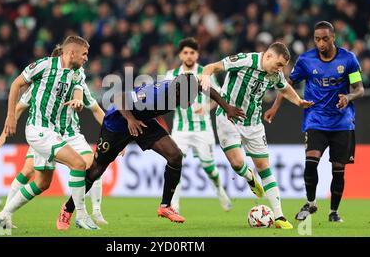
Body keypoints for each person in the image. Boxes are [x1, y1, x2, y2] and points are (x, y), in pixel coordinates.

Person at [58, 73, 245, 223]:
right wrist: (130, 120)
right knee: (96, 170)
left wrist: (227, 107)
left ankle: (165, 206)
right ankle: (67, 209)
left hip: (143, 121)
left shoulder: (185, 85)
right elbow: (119, 98)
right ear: (177, 92)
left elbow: (208, 89)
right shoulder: (156, 95)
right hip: (119, 123)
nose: (191, 102)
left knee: (175, 156)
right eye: (189, 98)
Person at [0, 46, 109, 229]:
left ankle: (4, 213)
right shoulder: (42, 75)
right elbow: (19, 103)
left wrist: (78, 102)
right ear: (68, 56)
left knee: (43, 183)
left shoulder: (77, 75)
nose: (86, 59)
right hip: (42, 131)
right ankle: (80, 214)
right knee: (32, 169)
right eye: (84, 54)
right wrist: (4, 132)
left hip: (68, 133)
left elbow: (85, 98)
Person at [200, 42, 314, 229]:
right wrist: (205, 76)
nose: (279, 70)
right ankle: (249, 177)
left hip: (253, 124)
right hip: (229, 118)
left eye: (282, 67)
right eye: (278, 65)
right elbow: (212, 67)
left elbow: (284, 88)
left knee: (264, 166)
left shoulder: (275, 74)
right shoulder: (246, 60)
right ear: (268, 56)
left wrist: (299, 101)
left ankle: (279, 216)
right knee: (237, 163)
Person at [264, 21, 365, 222]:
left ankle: (334, 212)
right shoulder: (306, 60)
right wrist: (275, 107)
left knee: (338, 170)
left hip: (342, 122)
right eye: (317, 39)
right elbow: (286, 84)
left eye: (325, 39)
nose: (321, 43)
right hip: (316, 119)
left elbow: (359, 89)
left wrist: (348, 97)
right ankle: (311, 204)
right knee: (311, 164)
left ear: (333, 38)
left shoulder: (349, 59)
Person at [165, 37, 231, 212]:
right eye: (185, 52)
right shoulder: (171, 75)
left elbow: (218, 97)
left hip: (203, 129)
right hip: (180, 129)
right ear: (180, 55)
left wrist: (207, 107)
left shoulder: (205, 73)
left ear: (197, 55)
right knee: (175, 163)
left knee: (209, 167)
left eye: (192, 53)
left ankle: (219, 190)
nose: (188, 56)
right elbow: (165, 98)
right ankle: (174, 203)